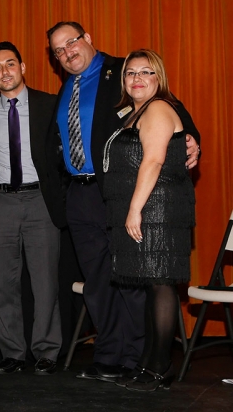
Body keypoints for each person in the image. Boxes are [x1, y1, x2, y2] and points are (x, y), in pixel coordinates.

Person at [46, 21, 200, 382]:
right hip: (80, 194)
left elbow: (171, 110)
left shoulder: (124, 71)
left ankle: (138, 357)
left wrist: (192, 139)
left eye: (71, 42)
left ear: (88, 39)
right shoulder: (64, 88)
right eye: (58, 50)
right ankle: (110, 355)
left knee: (133, 277)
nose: (67, 52)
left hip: (124, 192)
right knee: (100, 281)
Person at [103, 50, 195, 392]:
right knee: (151, 283)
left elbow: (153, 161)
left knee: (160, 285)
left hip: (159, 209)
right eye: (130, 73)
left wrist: (134, 209)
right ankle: (148, 362)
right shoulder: (133, 112)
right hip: (148, 206)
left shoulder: (157, 107)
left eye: (146, 72)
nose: (137, 79)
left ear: (159, 78)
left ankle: (160, 367)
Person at [0, 42, 66, 376]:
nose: (4, 71)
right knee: (3, 283)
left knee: (45, 283)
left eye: (10, 64)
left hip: (40, 200)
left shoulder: (50, 105)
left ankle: (46, 351)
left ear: (23, 67)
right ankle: (12, 352)